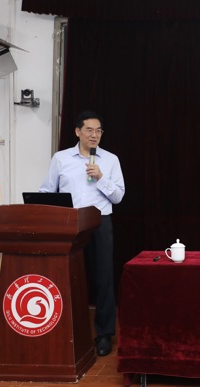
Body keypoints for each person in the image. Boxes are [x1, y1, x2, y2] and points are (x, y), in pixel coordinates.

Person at [39, 111, 125, 357]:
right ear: (78, 132)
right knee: (69, 278)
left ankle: (104, 334)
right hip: (70, 223)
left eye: (99, 131)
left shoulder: (110, 160)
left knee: (103, 279)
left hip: (100, 222)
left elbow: (118, 197)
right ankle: (67, 332)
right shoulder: (61, 158)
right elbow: (47, 191)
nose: (94, 135)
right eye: (89, 130)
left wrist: (101, 177)